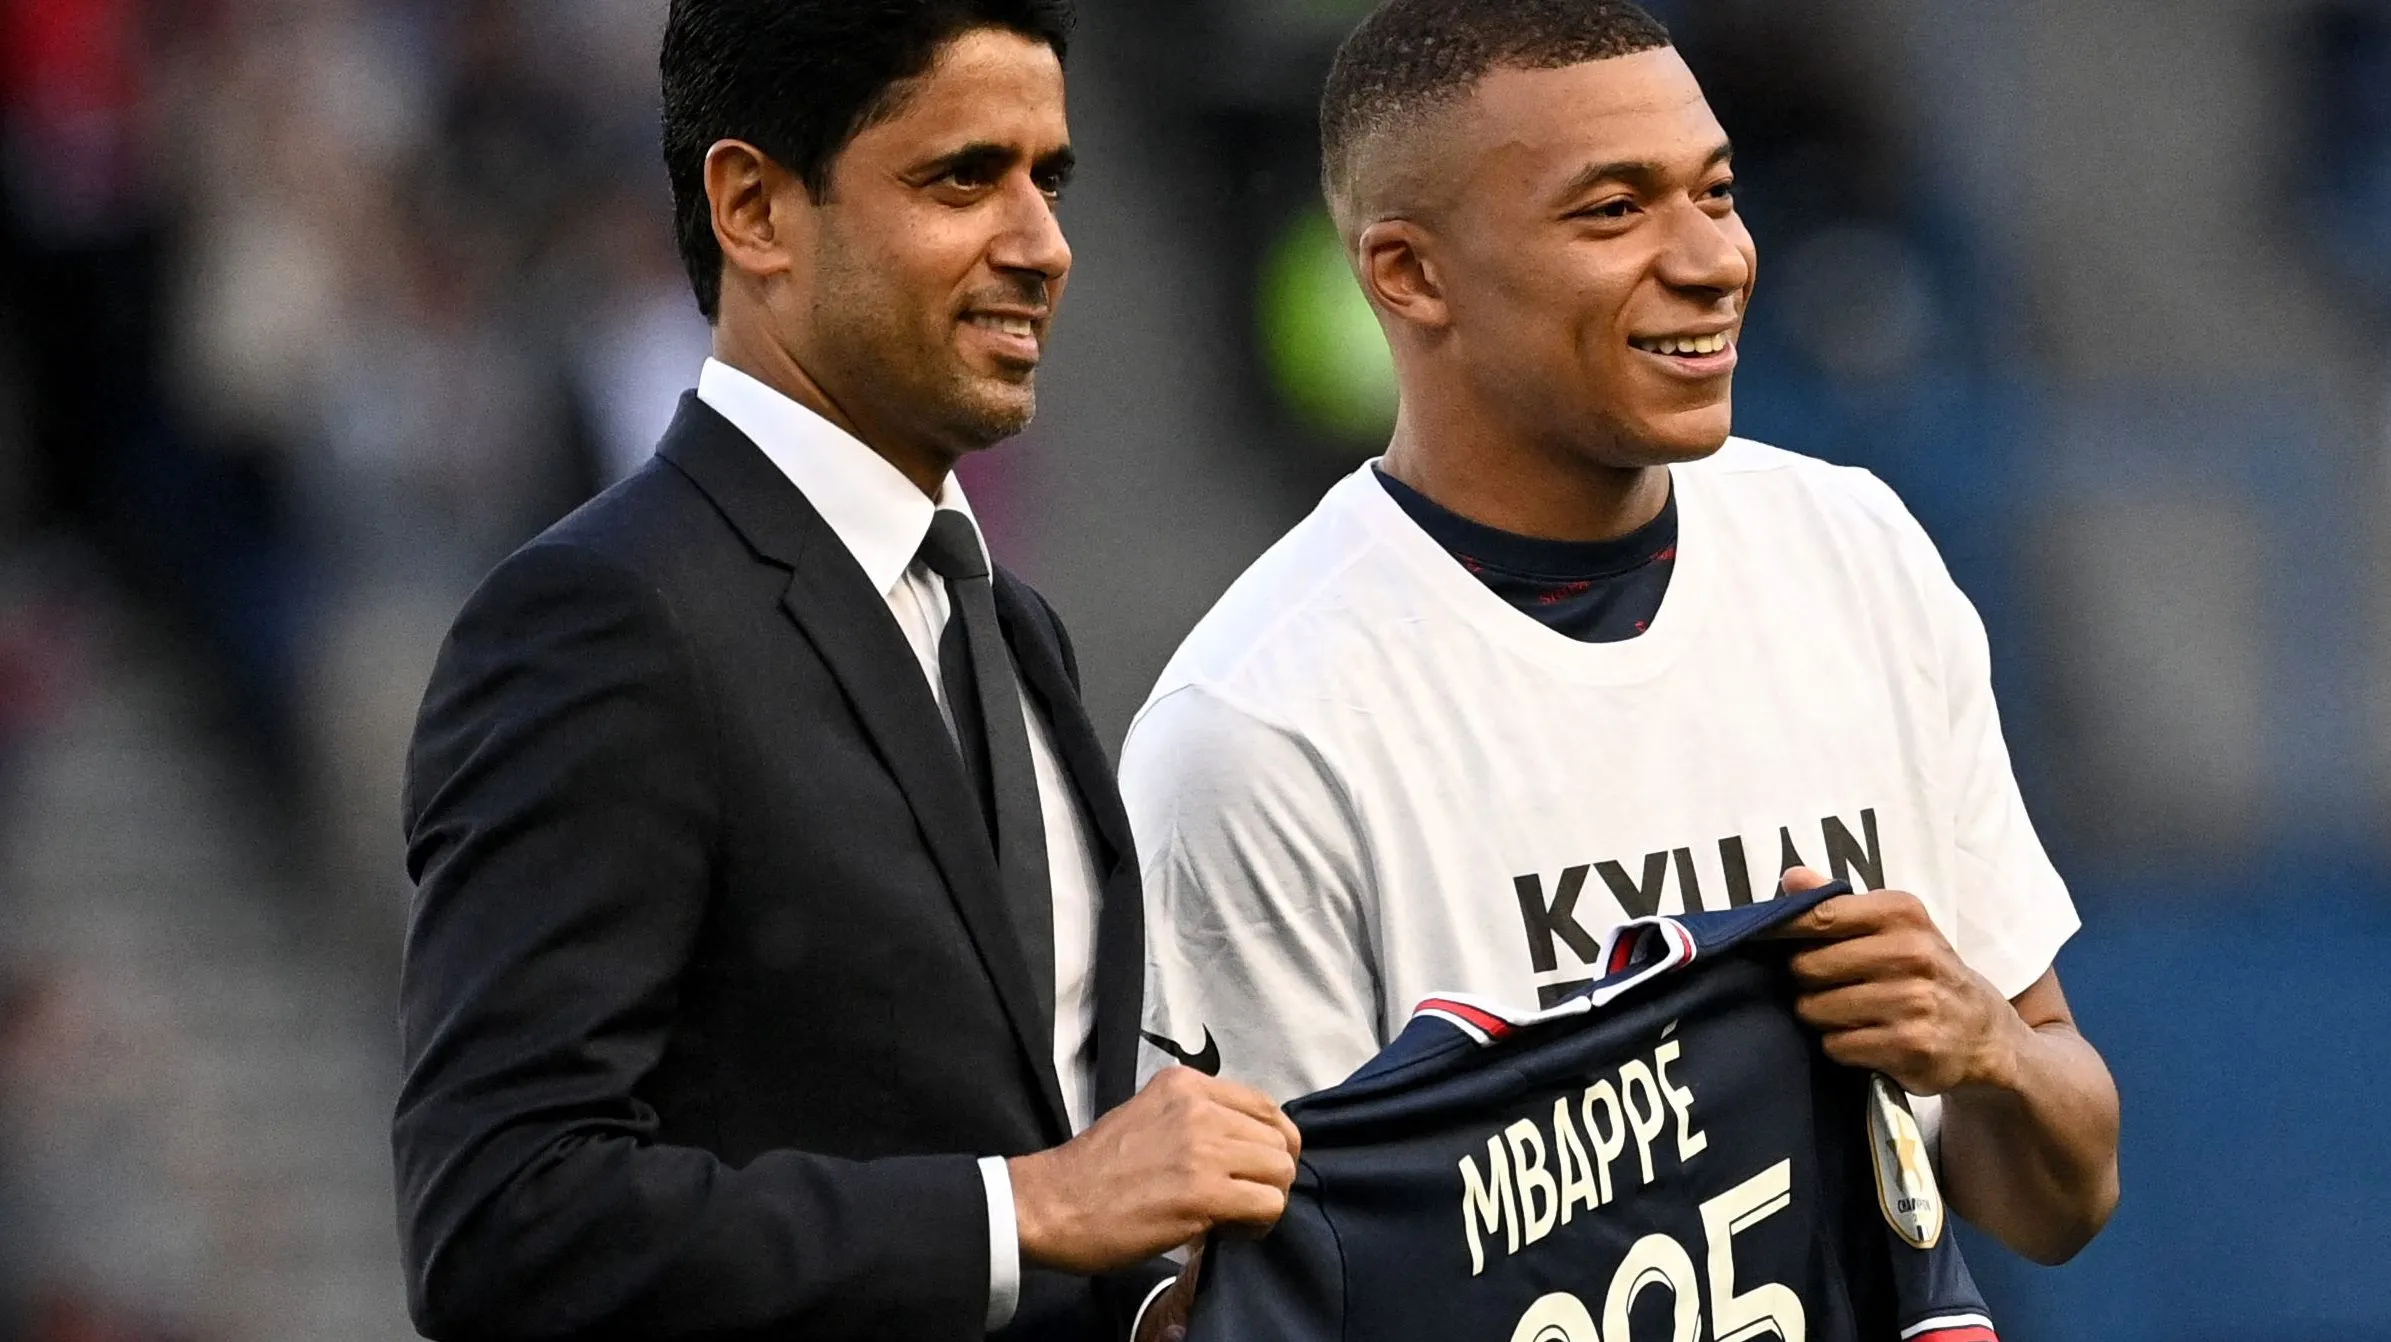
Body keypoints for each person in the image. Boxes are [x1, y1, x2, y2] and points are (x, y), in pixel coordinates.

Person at [1122, 0, 2119, 1272]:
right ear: (1409, 274)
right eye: (1614, 209)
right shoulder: (1259, 729)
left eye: (1718, 192)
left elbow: (2065, 1198)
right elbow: (1268, 1291)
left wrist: (1988, 1049)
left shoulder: (1859, 554)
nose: (1714, 259)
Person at [391, 3, 1298, 1339]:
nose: (1042, 244)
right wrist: (1023, 1210)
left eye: (1048, 180)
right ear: (753, 208)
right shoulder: (605, 618)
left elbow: (1029, 1148)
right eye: (962, 178)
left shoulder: (1011, 625)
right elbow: (500, 1214)